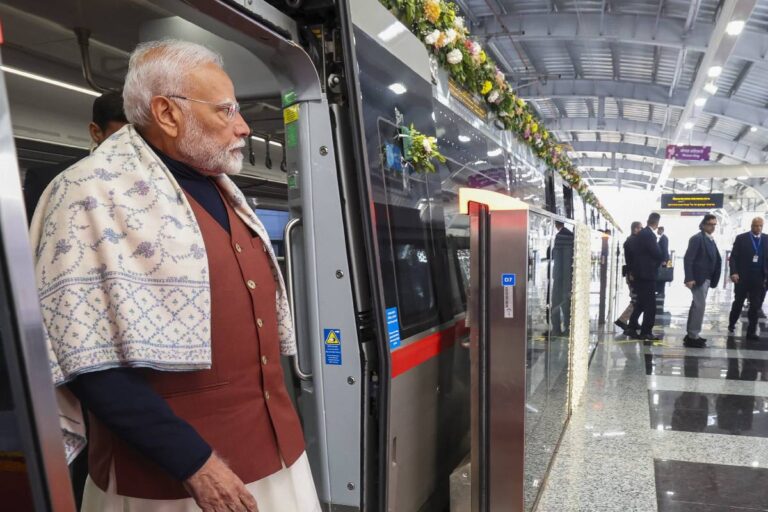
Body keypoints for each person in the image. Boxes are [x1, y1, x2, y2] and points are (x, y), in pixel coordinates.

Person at [30, 40, 320, 512]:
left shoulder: (217, 187)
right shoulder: (87, 195)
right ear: (167, 113)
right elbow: (80, 355)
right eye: (226, 111)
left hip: (274, 455)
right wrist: (194, 463)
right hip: (172, 481)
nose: (243, 127)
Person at [23, 91, 127, 221]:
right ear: (96, 132)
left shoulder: (149, 182)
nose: (130, 146)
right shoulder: (47, 181)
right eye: (121, 138)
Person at [683, 213, 722, 348]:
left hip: (706, 278)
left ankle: (692, 335)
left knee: (697, 306)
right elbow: (688, 259)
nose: (713, 227)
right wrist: (689, 278)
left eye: (714, 225)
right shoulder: (697, 238)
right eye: (710, 224)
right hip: (698, 278)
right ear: (704, 224)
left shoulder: (710, 239)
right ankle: (693, 336)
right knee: (700, 306)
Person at [727, 217, 768, 339]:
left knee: (755, 306)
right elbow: (733, 257)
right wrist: (734, 272)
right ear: (751, 226)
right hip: (742, 277)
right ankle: (732, 324)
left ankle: (751, 332)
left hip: (759, 278)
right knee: (738, 303)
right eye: (756, 225)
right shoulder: (741, 238)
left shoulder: (766, 239)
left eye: (760, 226)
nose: (758, 228)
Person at [627, 213, 663, 341]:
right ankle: (646, 332)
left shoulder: (642, 234)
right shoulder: (649, 235)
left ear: (648, 220)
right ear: (657, 223)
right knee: (650, 305)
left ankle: (631, 326)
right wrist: (661, 258)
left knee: (642, 302)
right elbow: (657, 253)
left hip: (640, 274)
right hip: (646, 274)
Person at [615, 221, 642, 334]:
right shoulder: (632, 241)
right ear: (635, 229)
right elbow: (632, 259)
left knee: (636, 299)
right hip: (632, 274)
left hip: (631, 273)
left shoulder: (630, 241)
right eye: (640, 228)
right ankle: (622, 320)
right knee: (636, 299)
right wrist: (632, 273)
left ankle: (633, 321)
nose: (642, 230)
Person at [551, 221, 574, 337]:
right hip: (569, 277)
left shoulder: (559, 237)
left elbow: (556, 258)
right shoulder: (572, 237)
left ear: (556, 224)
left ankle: (556, 329)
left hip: (559, 277)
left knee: (555, 301)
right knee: (566, 301)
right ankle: (568, 328)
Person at [656, 226, 670, 296]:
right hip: (663, 260)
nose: (657, 231)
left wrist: (664, 260)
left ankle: (661, 291)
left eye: (658, 230)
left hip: (663, 261)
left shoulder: (664, 238)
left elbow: (664, 250)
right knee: (662, 275)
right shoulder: (663, 238)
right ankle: (660, 291)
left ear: (661, 230)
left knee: (662, 276)